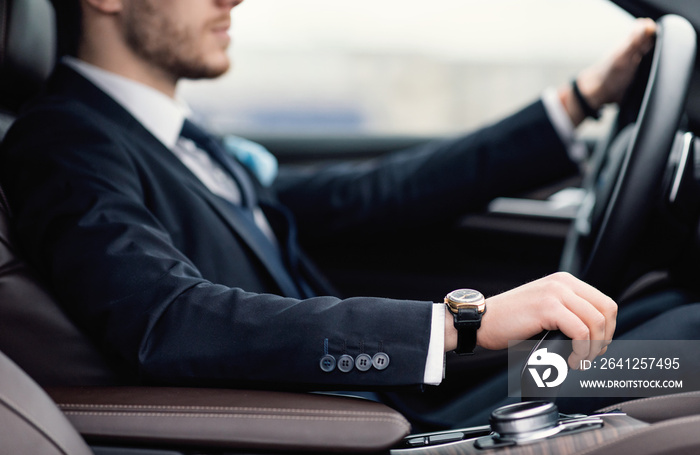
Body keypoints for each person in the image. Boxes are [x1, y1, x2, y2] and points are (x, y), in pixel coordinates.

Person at [0, 0, 652, 428]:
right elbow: (166, 320)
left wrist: (578, 100)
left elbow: (372, 194)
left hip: (395, 407)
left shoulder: (186, 142)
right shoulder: (62, 142)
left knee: (664, 328)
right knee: (680, 359)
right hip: (350, 433)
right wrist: (465, 323)